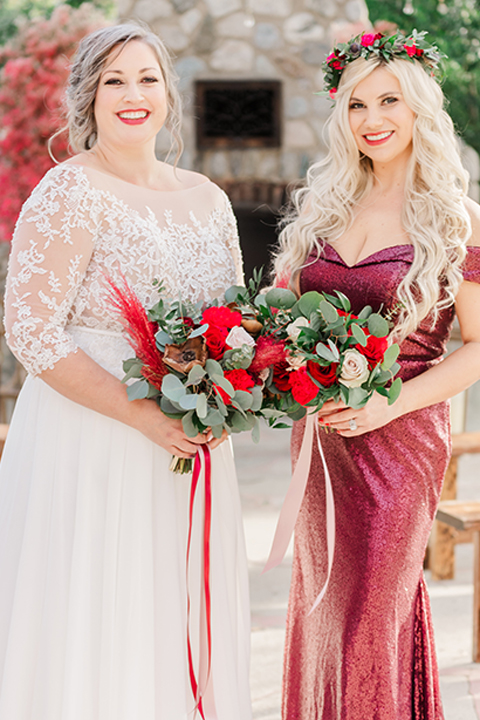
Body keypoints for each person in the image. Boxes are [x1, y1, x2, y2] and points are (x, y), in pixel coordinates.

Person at [0, 23, 251, 720]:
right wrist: (138, 412)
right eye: (114, 80)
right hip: (95, 437)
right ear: (88, 96)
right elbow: (29, 329)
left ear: (168, 92)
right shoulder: (69, 192)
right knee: (100, 600)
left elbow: (236, 324)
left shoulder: (208, 197)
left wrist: (228, 398)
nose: (133, 94)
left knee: (171, 600)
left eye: (147, 78)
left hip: (192, 440)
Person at [274, 30, 480, 720]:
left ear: (420, 107)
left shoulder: (458, 222)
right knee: (324, 607)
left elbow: (478, 347)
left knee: (370, 613)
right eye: (356, 104)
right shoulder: (321, 212)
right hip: (320, 438)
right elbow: (274, 319)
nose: (372, 119)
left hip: (400, 440)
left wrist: (387, 406)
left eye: (389, 99)